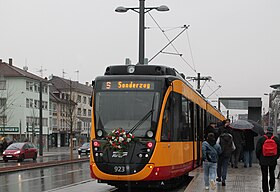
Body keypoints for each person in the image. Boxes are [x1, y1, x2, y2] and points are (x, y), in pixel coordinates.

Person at [256, 127, 280, 192]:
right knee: (272, 173)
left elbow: (257, 150)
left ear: (266, 131)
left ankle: (265, 189)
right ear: (272, 132)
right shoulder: (276, 139)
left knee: (264, 175)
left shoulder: (261, 139)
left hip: (263, 160)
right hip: (273, 160)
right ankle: (272, 187)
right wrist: (276, 157)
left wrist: (259, 158)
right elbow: (279, 150)